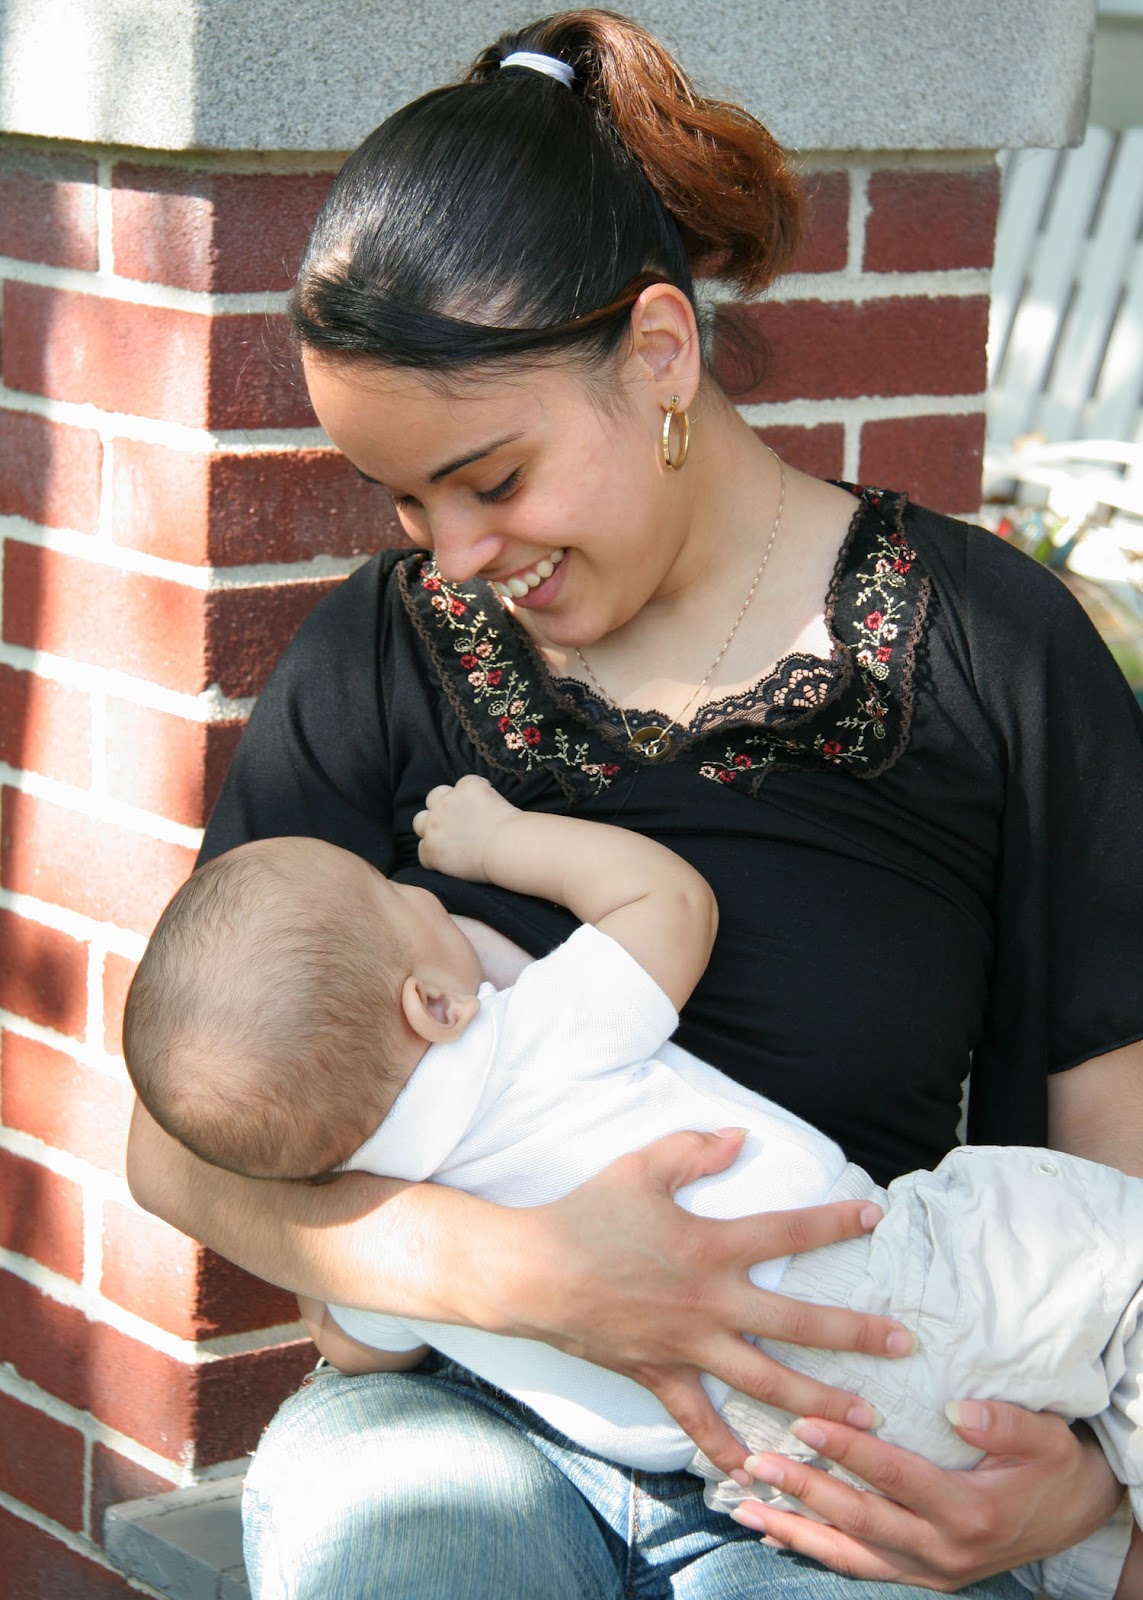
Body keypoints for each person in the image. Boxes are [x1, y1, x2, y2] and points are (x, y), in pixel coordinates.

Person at [123, 10, 1143, 1599]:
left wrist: (1082, 1503)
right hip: (464, 1420)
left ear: (658, 354)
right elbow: (176, 1145)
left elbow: (1114, 1165)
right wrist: (526, 1278)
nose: (452, 551)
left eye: (493, 477)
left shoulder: (988, 653)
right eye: (404, 499)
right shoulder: (384, 655)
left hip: (833, 1453)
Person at [122, 775, 1143, 1600]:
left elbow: (351, 1346)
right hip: (901, 1282)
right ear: (431, 1002)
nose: (426, 892)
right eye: (405, 898)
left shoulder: (370, 1231)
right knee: (1121, 1262)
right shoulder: (524, 1036)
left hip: (785, 1463)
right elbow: (669, 905)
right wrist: (497, 841)